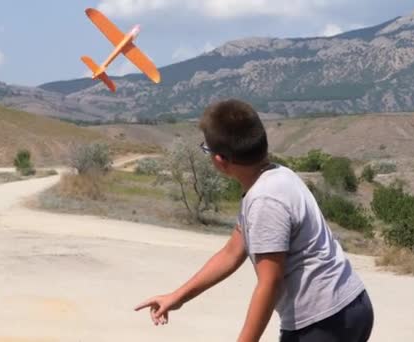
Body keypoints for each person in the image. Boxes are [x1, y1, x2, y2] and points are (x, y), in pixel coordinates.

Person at [134, 99, 374, 342]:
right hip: (352, 305)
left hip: (322, 321)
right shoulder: (277, 175)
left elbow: (270, 283)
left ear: (220, 160)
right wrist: (177, 297)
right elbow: (232, 252)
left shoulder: (264, 200)